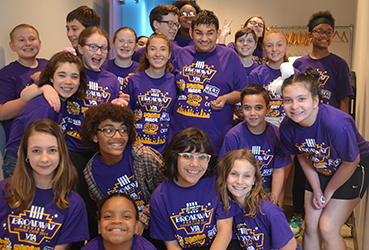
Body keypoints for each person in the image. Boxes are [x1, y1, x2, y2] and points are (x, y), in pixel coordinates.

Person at [279, 68, 369, 250]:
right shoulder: (287, 128)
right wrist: (316, 188)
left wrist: (327, 192)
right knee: (310, 226)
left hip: (352, 167)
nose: (294, 106)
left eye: (301, 99)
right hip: (320, 166)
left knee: (327, 228)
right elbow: (302, 155)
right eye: (288, 100)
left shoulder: (336, 123)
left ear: (316, 101)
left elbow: (351, 161)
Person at [80, 103, 165, 243]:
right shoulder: (91, 173)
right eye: (109, 130)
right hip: (122, 232)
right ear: (94, 136)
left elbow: (168, 193)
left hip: (157, 227)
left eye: (123, 130)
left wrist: (143, 220)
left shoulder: (144, 156)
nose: (118, 136)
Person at [0, 118, 89, 249]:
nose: (44, 159)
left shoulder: (74, 204)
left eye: (52, 150)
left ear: (61, 154)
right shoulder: (4, 190)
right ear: (25, 153)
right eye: (36, 151)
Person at [171, 10, 247, 156]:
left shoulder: (230, 56)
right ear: (191, 32)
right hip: (181, 135)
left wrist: (225, 99)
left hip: (215, 136)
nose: (204, 38)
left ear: (218, 33)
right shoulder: (183, 54)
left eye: (210, 33)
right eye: (199, 33)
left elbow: (242, 92)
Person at [150, 128, 239, 249]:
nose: (195, 164)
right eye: (187, 156)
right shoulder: (159, 198)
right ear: (174, 157)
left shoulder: (217, 182)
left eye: (202, 157)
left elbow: (225, 231)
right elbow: (171, 245)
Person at [2, 51, 87, 179]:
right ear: (52, 78)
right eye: (62, 75)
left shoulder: (61, 100)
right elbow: (25, 147)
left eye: (74, 77)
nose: (68, 81)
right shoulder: (45, 107)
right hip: (21, 162)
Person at [219, 84, 291, 205]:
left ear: (268, 108)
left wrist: (273, 200)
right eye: (247, 108)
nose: (253, 113)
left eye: (258, 108)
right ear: (241, 108)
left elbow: (279, 172)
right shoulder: (233, 136)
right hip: (239, 188)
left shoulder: (277, 135)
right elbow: (226, 173)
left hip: (265, 187)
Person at [216, 149, 299, 250]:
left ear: (254, 180)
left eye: (247, 176)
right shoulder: (228, 205)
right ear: (224, 176)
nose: (239, 181)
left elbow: (290, 246)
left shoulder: (269, 211)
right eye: (234, 174)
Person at [124, 33, 176, 153]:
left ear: (169, 55)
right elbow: (126, 118)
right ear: (146, 54)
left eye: (163, 49)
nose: (158, 54)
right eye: (153, 49)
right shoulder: (133, 81)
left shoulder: (175, 81)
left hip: (164, 150)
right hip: (136, 149)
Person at [293, 10, 353, 113]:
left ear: (332, 36)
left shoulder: (339, 64)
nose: (324, 35)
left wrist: (343, 123)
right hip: (304, 119)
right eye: (319, 31)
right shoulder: (299, 64)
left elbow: (344, 99)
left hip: (330, 120)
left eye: (329, 32)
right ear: (310, 35)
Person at [0, 24, 47, 143]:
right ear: (12, 46)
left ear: (39, 43)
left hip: (49, 137)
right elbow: (2, 113)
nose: (28, 43)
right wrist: (35, 89)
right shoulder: (7, 73)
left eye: (32, 39)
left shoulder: (48, 66)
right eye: (21, 40)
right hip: (21, 142)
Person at [249, 30, 299, 128]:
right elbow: (255, 103)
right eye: (269, 45)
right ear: (264, 48)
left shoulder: (296, 74)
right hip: (266, 121)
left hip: (291, 120)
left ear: (287, 47)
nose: (274, 49)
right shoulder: (256, 74)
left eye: (279, 45)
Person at [81, 193, 157, 250]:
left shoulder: (147, 248)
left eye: (126, 216)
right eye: (108, 216)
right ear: (99, 226)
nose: (116, 220)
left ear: (136, 226)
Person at [232, 28, 259, 122]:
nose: (245, 44)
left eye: (249, 41)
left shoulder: (259, 71)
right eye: (241, 41)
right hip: (231, 119)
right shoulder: (228, 69)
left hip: (254, 120)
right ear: (235, 44)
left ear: (255, 45)